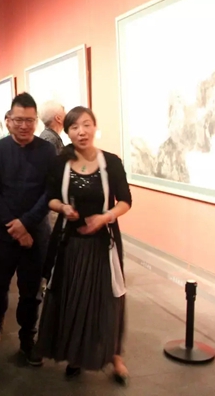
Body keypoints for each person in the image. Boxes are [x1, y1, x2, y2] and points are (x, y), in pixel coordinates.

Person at [33, 106, 131, 384]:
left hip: (103, 244)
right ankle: (75, 354)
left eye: (87, 125)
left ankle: (114, 355)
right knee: (72, 299)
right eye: (75, 127)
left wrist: (105, 217)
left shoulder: (111, 162)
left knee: (107, 300)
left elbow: (125, 201)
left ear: (95, 127)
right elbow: (51, 198)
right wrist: (63, 207)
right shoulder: (61, 163)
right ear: (67, 132)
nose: (82, 131)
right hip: (70, 244)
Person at [0, 93, 56, 358]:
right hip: (2, 232)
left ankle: (28, 335)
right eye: (18, 120)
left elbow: (50, 192)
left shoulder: (47, 151)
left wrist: (25, 224)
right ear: (8, 120)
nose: (24, 126)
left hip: (35, 232)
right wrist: (13, 227)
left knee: (31, 289)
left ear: (36, 121)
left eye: (29, 120)